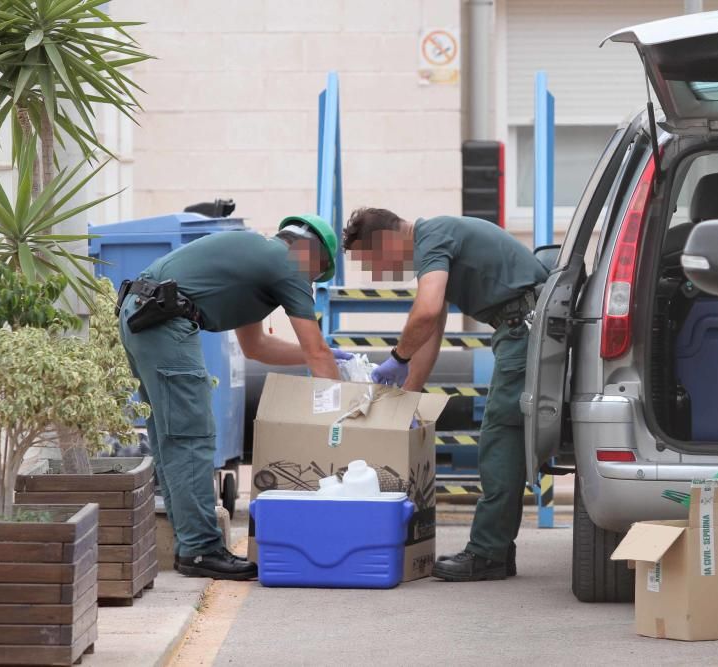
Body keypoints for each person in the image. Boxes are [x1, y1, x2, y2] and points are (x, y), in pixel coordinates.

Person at [118, 215, 348, 580]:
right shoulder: (288, 264)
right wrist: (342, 422)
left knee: (171, 437)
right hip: (163, 320)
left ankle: (190, 545)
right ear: (312, 256)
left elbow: (256, 346)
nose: (310, 282)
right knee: (191, 436)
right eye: (316, 275)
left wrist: (320, 356)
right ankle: (200, 550)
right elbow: (316, 350)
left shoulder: (257, 259)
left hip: (143, 315)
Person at [342, 207, 548, 582]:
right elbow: (431, 328)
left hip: (523, 330)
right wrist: (408, 394)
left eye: (369, 260)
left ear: (386, 240)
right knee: (507, 436)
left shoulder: (431, 237)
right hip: (521, 327)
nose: (374, 273)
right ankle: (497, 549)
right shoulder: (439, 239)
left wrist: (396, 357)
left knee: (502, 437)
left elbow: (426, 311)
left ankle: (488, 553)